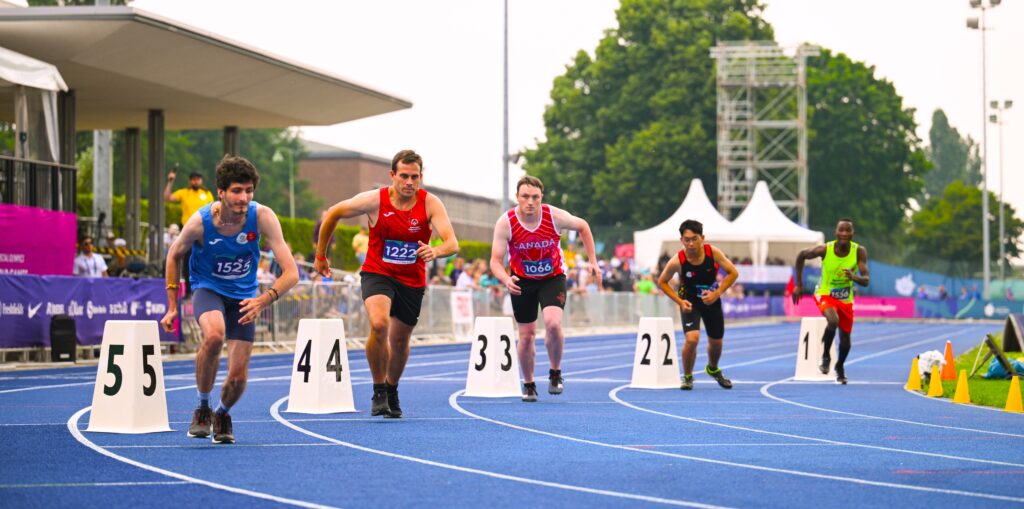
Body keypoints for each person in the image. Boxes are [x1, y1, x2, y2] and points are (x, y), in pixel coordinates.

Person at [160, 155, 298, 444]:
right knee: (213, 337)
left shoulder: (262, 217)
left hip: (244, 297)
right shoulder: (200, 222)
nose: (244, 197)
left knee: (237, 379)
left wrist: (264, 300)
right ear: (220, 192)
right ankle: (203, 407)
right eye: (237, 190)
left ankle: (223, 413)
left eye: (248, 191)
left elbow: (292, 273)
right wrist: (173, 305)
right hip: (208, 289)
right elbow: (174, 254)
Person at [314, 149, 458, 418]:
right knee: (379, 325)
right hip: (377, 272)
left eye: (414, 177)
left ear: (421, 177)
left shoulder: (430, 203)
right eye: (403, 176)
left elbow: (452, 242)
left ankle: (392, 388)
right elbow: (333, 213)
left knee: (400, 340)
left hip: (412, 279)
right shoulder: (375, 201)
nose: (409, 183)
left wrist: (435, 251)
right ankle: (378, 387)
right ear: (392, 176)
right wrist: (321, 255)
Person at [489, 175, 599, 402]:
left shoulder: (553, 216)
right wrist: (505, 279)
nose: (530, 202)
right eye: (525, 197)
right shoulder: (506, 222)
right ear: (517, 198)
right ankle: (528, 384)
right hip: (522, 281)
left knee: (552, 323)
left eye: (535, 197)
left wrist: (593, 260)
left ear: (542, 198)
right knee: (526, 336)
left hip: (552, 277)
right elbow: (495, 261)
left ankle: (555, 371)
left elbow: (583, 227)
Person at [656, 219, 739, 391]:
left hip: (711, 300)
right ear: (681, 240)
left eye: (694, 239)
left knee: (716, 343)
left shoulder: (712, 253)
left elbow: (733, 273)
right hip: (689, 303)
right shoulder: (677, 261)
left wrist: (717, 293)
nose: (691, 243)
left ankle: (713, 368)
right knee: (692, 339)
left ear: (702, 237)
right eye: (687, 240)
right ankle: (687, 376)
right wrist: (680, 301)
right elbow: (662, 282)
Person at [792, 217, 870, 385]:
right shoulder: (825, 249)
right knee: (832, 320)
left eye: (847, 230)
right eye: (841, 230)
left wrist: (853, 276)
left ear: (852, 233)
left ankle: (840, 366)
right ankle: (826, 355)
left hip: (845, 298)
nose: (844, 233)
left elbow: (866, 280)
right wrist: (799, 285)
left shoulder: (859, 252)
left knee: (846, 341)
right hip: (825, 293)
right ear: (835, 232)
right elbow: (801, 256)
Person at [165, 168, 215, 295]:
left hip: (204, 230)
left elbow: (214, 210)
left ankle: (207, 287)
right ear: (190, 181)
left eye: (198, 179)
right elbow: (167, 197)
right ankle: (188, 290)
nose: (196, 182)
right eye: (194, 179)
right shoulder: (184, 192)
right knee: (187, 260)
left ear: (201, 180)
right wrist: (170, 181)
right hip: (187, 230)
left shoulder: (207, 193)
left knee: (207, 257)